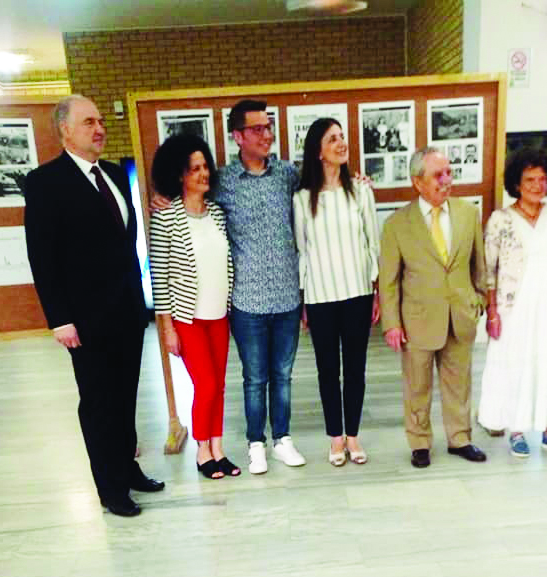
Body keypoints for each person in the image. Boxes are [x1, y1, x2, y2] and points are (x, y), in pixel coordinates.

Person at [24, 94, 163, 518]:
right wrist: (60, 319)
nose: (99, 129)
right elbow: (42, 256)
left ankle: (127, 467)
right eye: (89, 122)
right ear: (64, 129)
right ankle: (110, 488)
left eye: (101, 121)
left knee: (125, 396)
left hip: (127, 312)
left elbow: (123, 241)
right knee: (99, 403)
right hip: (85, 321)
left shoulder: (116, 175)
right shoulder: (45, 182)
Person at [379, 147, 488, 468]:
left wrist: (479, 300)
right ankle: (420, 442)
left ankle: (460, 438)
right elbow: (388, 280)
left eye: (449, 172)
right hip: (417, 320)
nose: (446, 180)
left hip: (460, 316)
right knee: (417, 385)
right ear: (418, 182)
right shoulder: (397, 224)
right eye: (438, 175)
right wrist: (392, 323)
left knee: (459, 382)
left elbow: (478, 264)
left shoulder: (468, 214)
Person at [216, 99, 306, 474]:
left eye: (268, 127)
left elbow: (323, 186)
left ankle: (282, 439)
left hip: (287, 298)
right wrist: (159, 197)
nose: (266, 135)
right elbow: (187, 198)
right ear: (237, 136)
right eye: (257, 129)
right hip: (247, 301)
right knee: (255, 378)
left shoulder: (287, 174)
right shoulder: (223, 181)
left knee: (282, 375)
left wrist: (357, 180)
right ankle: (256, 443)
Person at [149, 134, 240, 480]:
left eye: (205, 167)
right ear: (180, 175)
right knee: (205, 384)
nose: (203, 174)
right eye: (194, 169)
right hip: (187, 318)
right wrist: (167, 329)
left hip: (219, 316)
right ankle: (202, 449)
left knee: (219, 385)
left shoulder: (217, 213)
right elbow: (160, 278)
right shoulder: (165, 217)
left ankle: (218, 447)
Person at [478, 148, 547, 458]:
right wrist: (492, 311)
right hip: (515, 307)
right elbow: (488, 270)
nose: (537, 185)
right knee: (516, 364)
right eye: (530, 180)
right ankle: (517, 430)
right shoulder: (501, 220)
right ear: (516, 184)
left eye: (542, 179)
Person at [293, 118, 380, 466]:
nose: (341, 143)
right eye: (332, 139)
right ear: (318, 151)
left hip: (357, 292)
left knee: (355, 368)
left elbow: (372, 244)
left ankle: (353, 436)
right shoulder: (302, 199)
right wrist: (303, 301)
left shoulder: (361, 191)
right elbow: (302, 252)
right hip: (320, 297)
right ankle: (334, 437)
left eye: (342, 137)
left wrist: (376, 291)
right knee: (328, 371)